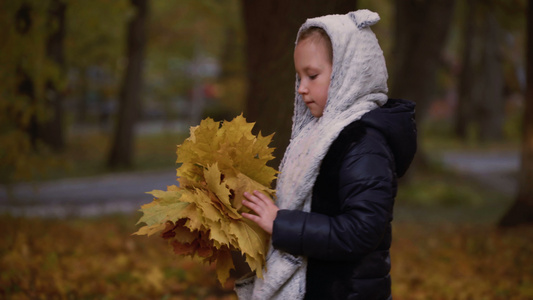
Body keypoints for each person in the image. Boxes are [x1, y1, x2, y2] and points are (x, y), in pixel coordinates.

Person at [237, 9, 417, 300]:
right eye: (299, 78)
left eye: (312, 76)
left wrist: (281, 223)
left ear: (349, 73)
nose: (302, 89)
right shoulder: (319, 135)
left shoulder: (363, 142)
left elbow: (362, 231)